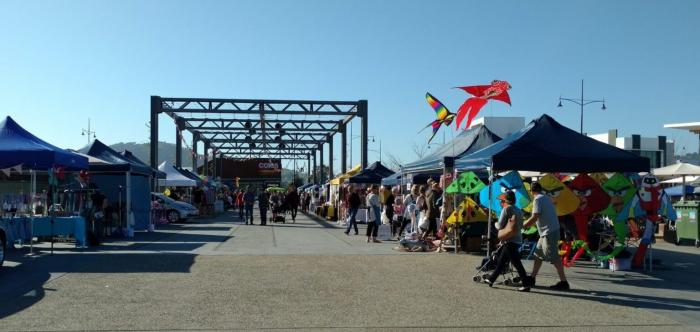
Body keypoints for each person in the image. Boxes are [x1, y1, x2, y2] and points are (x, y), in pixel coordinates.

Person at [483, 190, 533, 292]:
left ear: (505, 199)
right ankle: (491, 279)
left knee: (516, 263)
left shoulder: (506, 209)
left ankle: (526, 284)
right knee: (502, 261)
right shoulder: (518, 210)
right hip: (518, 238)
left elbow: (500, 225)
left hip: (510, 239)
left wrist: (495, 223)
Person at [523, 182, 570, 290]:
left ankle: (564, 282)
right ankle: (532, 278)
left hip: (548, 232)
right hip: (548, 231)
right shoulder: (546, 197)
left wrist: (524, 225)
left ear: (531, 191)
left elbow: (535, 216)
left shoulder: (538, 199)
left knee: (554, 257)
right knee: (538, 254)